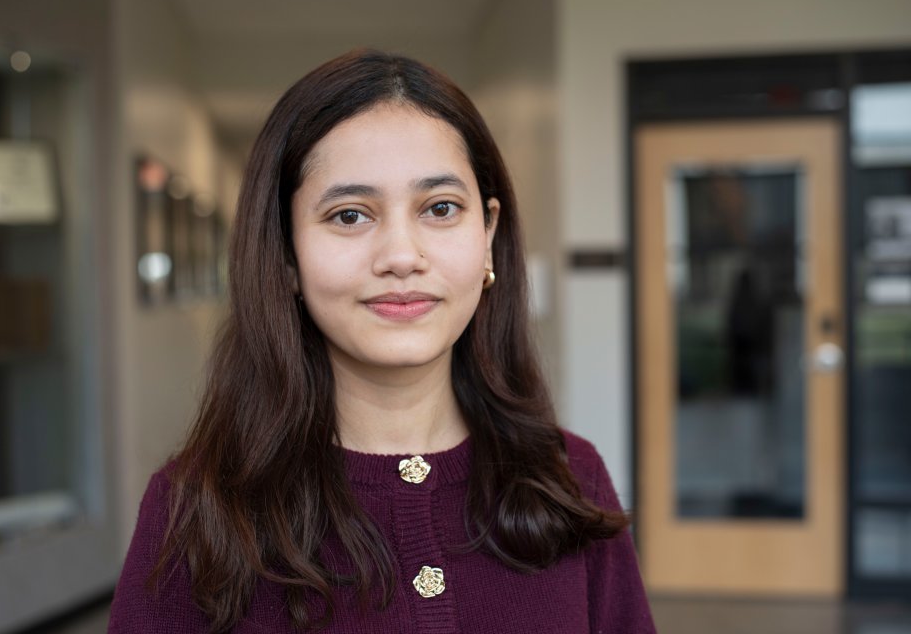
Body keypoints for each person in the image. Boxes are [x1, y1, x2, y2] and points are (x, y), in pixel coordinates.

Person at [108, 49, 656, 633]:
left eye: (440, 208)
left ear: (489, 234)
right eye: (349, 215)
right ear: (285, 254)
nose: (401, 256)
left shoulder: (570, 476)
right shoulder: (194, 508)